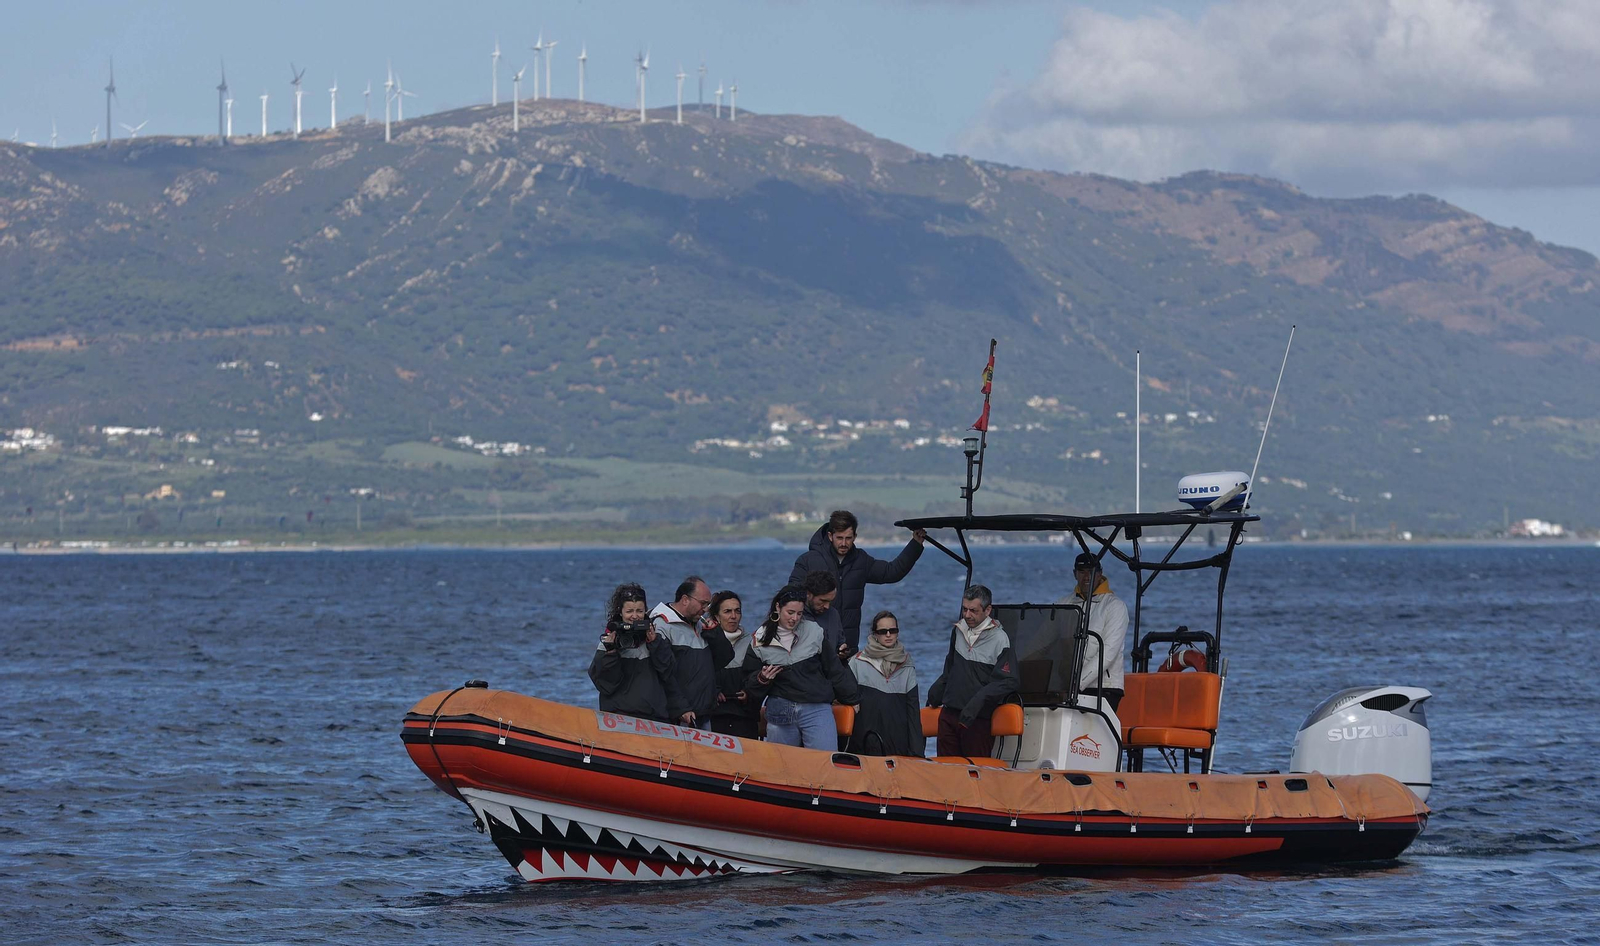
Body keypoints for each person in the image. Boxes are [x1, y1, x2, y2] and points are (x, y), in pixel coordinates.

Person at [787, 509, 928, 652]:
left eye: (848, 538)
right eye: (839, 538)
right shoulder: (808, 560)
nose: (843, 543)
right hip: (812, 646)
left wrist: (915, 545)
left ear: (855, 536)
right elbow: (792, 596)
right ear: (830, 536)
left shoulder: (861, 560)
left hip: (848, 647)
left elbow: (891, 572)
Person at [742, 585, 859, 750]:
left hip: (816, 708)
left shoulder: (814, 632)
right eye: (790, 612)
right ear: (778, 607)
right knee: (781, 767)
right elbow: (748, 683)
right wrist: (761, 679)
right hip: (780, 710)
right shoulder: (759, 640)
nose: (794, 618)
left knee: (823, 763)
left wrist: (852, 698)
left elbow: (833, 668)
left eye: (799, 613)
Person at [926, 585, 1019, 758]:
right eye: (964, 609)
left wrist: (978, 702)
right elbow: (950, 667)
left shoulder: (1000, 640)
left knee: (974, 775)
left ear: (988, 610)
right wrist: (937, 689)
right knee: (944, 773)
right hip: (949, 715)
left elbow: (1009, 681)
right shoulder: (958, 630)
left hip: (976, 720)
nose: (967, 615)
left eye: (973, 611)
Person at [589, 582, 681, 723]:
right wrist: (611, 652)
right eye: (629, 611)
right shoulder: (608, 642)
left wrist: (655, 643)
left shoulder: (656, 639)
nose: (635, 616)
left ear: (646, 611)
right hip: (618, 717)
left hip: (653, 717)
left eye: (639, 611)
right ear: (620, 612)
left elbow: (669, 673)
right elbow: (605, 685)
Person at [846, 611, 924, 757]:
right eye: (883, 631)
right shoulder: (857, 662)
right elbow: (843, 699)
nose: (888, 635)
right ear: (875, 634)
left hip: (898, 743)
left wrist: (917, 752)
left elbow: (913, 711)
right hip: (864, 741)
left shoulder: (907, 665)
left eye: (892, 631)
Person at [1066, 551, 1129, 712]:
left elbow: (1108, 652)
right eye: (1082, 572)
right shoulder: (1064, 603)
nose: (1087, 576)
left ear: (1100, 574)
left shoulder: (1115, 606)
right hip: (1067, 687)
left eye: (1091, 571)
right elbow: (1048, 640)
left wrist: (1077, 683)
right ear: (1075, 574)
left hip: (1105, 687)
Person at [650, 576, 717, 728]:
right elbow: (664, 673)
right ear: (685, 599)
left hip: (704, 711)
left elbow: (722, 660)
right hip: (681, 715)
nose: (706, 609)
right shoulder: (662, 624)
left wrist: (716, 635)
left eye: (708, 604)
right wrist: (681, 708)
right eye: (703, 603)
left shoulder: (700, 623)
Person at [705, 590, 760, 738]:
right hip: (714, 716)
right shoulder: (705, 641)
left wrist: (749, 692)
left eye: (737, 611)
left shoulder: (752, 642)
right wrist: (714, 691)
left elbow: (758, 678)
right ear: (716, 616)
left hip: (744, 716)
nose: (733, 616)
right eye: (727, 611)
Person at [801, 570, 848, 661]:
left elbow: (840, 641)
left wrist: (842, 650)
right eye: (823, 601)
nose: (827, 606)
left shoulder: (833, 614)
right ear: (808, 594)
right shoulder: (794, 616)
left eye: (830, 601)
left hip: (829, 672)